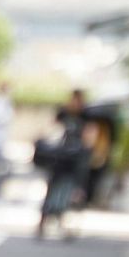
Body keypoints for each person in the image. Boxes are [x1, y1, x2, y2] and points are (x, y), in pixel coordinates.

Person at [37, 88, 92, 239]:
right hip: (60, 154)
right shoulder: (63, 112)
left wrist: (86, 148)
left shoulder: (85, 115)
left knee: (73, 185)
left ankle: (63, 214)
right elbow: (52, 128)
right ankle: (45, 217)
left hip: (76, 156)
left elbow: (89, 133)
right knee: (53, 184)